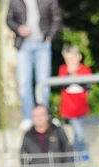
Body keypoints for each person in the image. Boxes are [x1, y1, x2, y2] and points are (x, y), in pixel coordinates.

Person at [6, 0, 62, 129]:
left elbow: (57, 18)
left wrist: (50, 37)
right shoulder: (16, 1)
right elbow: (9, 20)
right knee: (24, 83)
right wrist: (18, 28)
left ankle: (44, 117)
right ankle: (28, 117)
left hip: (43, 44)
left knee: (43, 83)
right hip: (23, 46)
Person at [57, 45, 92, 160]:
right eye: (67, 59)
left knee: (78, 133)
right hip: (69, 109)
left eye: (72, 58)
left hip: (81, 107)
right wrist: (69, 74)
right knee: (79, 132)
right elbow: (63, 85)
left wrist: (77, 77)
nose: (70, 62)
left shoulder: (85, 70)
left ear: (79, 57)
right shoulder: (63, 69)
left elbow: (88, 87)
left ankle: (76, 152)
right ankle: (81, 151)